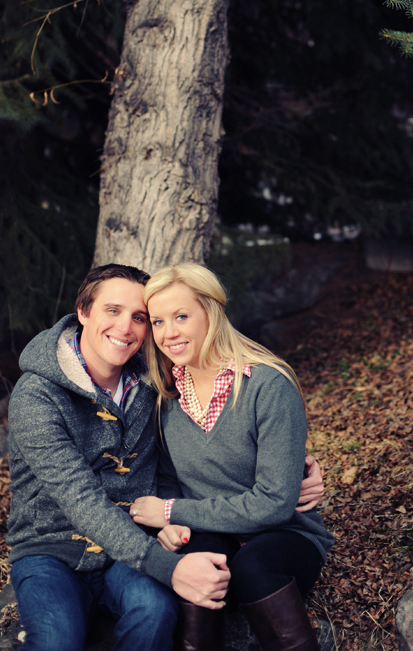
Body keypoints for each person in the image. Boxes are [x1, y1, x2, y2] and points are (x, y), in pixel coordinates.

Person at [7, 263, 322, 651]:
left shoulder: (154, 383)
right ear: (83, 312)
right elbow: (89, 497)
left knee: (159, 609)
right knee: (57, 640)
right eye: (114, 311)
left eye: (140, 318)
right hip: (54, 551)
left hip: (151, 545)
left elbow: (245, 448)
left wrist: (301, 466)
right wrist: (169, 560)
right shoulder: (46, 396)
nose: (128, 328)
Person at [130, 263, 335, 651]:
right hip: (214, 534)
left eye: (181, 316)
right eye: (158, 322)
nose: (169, 332)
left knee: (251, 567)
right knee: (195, 567)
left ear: (211, 312)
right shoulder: (166, 398)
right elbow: (170, 478)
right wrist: (171, 527)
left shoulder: (269, 386)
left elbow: (275, 503)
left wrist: (173, 512)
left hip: (285, 535)